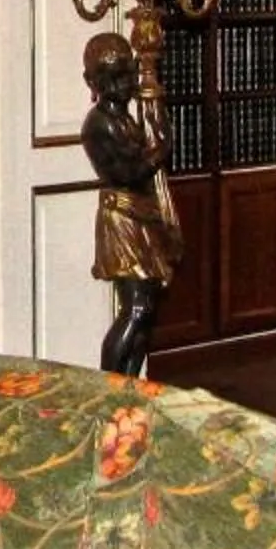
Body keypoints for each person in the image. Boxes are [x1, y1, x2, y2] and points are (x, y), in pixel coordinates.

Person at [82, 30, 182, 379]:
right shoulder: (100, 124)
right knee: (136, 308)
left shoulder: (124, 118)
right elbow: (130, 171)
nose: (123, 85)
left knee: (147, 309)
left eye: (127, 75)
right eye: (112, 79)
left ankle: (131, 381)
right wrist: (162, 147)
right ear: (93, 82)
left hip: (139, 212)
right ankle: (110, 379)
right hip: (122, 217)